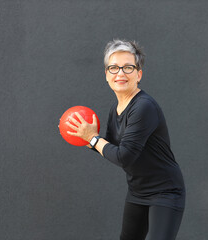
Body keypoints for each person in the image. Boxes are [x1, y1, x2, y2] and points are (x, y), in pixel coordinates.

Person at [66, 39, 186, 240]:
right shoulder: (116, 108)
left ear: (138, 75)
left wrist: (94, 139)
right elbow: (112, 147)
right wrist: (87, 139)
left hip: (166, 192)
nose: (120, 73)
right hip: (138, 191)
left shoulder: (143, 107)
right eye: (113, 68)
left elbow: (124, 157)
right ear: (106, 75)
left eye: (128, 67)